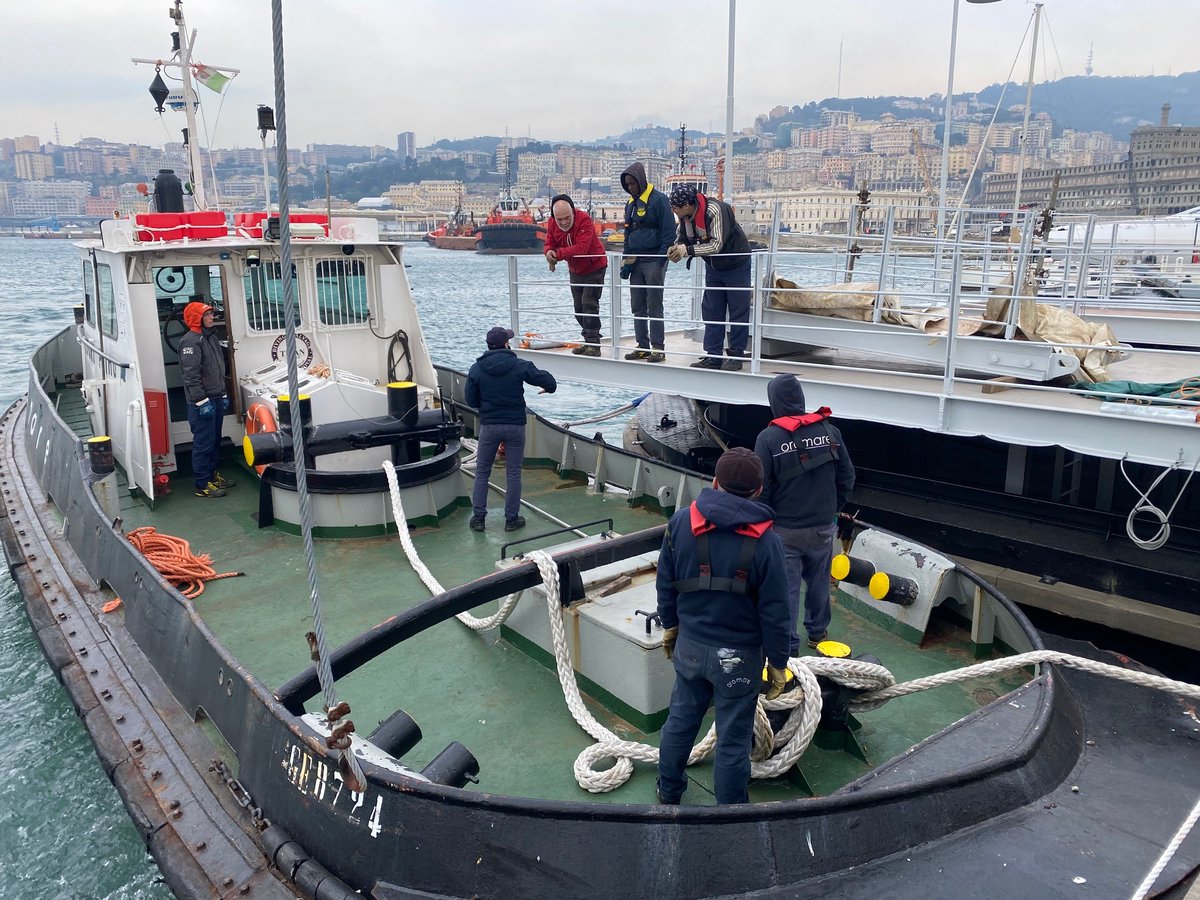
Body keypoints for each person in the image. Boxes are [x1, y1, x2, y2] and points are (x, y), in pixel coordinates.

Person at [655, 447, 791, 806]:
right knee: (732, 740)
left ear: (714, 482)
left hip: (691, 648)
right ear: (758, 490)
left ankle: (668, 791)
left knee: (680, 723)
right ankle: (730, 814)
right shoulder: (768, 543)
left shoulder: (681, 522)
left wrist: (670, 625)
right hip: (738, 659)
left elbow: (665, 581)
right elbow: (777, 610)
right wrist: (778, 662)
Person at [753, 374, 855, 654]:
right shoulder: (830, 431)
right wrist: (834, 509)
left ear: (774, 401)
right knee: (819, 583)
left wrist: (763, 525)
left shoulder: (769, 438)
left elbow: (761, 489)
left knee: (784, 592)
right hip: (823, 526)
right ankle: (818, 633)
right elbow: (847, 476)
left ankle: (788, 646)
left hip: (784, 530)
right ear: (800, 398)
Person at [465, 326, 557, 532]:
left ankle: (478, 518)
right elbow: (548, 380)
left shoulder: (476, 369)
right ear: (506, 344)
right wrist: (548, 388)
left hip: (489, 426)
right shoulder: (518, 365)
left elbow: (471, 400)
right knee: (513, 473)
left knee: (482, 472)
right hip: (515, 425)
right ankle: (511, 519)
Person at [666, 183, 752, 371]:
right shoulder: (686, 217)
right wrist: (676, 247)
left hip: (736, 264)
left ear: (687, 205)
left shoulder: (715, 210)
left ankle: (736, 355)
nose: (673, 211)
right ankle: (713, 355)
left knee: (738, 311)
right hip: (714, 267)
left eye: (676, 207)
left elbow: (716, 245)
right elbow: (682, 237)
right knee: (712, 310)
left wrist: (686, 251)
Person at [619, 162, 674, 363]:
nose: (631, 187)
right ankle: (642, 345)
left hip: (654, 261)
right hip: (636, 261)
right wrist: (626, 261)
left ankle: (658, 347)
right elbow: (628, 233)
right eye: (628, 185)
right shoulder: (630, 204)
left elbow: (669, 232)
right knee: (637, 305)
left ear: (641, 180)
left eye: (633, 183)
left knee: (654, 305)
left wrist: (661, 261)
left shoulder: (659, 200)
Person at [179, 301, 232, 499]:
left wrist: (223, 393)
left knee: (215, 440)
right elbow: (191, 375)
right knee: (203, 443)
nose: (212, 318)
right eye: (207, 315)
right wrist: (201, 401)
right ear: (197, 318)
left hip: (216, 397)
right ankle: (202, 484)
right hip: (202, 402)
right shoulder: (191, 342)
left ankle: (211, 475)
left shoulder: (209, 338)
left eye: (211, 314)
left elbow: (218, 369)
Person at [544, 194, 607, 357]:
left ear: (573, 211)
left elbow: (582, 248)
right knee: (578, 308)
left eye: (567, 218)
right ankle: (588, 340)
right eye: (559, 220)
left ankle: (594, 344)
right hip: (575, 269)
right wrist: (548, 252)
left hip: (594, 266)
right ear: (553, 217)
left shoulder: (584, 219)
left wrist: (557, 254)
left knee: (589, 304)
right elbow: (549, 242)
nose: (564, 222)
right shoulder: (552, 223)